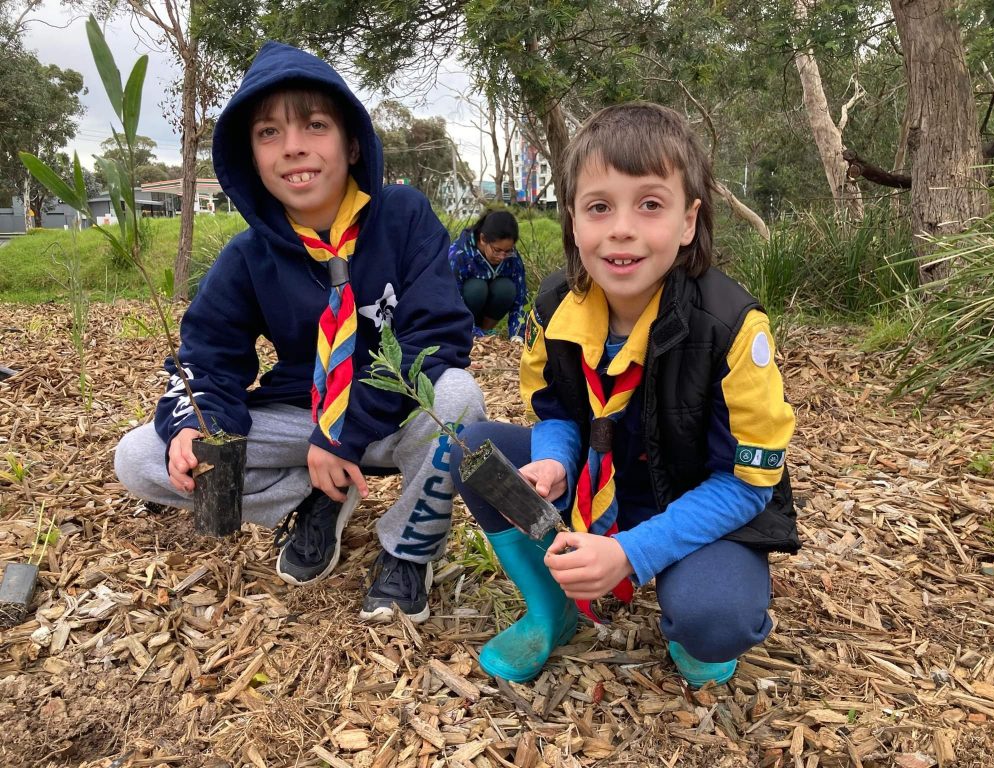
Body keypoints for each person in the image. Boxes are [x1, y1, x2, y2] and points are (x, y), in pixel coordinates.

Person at [114, 41, 485, 624]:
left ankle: (408, 550)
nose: (293, 148)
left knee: (459, 396)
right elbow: (207, 357)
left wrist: (342, 433)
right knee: (140, 457)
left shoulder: (404, 217)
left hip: (387, 418)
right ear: (251, 157)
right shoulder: (247, 256)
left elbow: (438, 336)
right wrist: (197, 425)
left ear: (352, 141)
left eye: (314, 125)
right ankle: (317, 498)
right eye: (268, 133)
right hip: (300, 416)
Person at [451, 102, 798, 686]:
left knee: (716, 620)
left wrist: (633, 553)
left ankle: (689, 611)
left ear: (689, 220)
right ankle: (551, 609)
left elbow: (746, 483)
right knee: (476, 450)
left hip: (698, 501)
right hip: (598, 481)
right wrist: (557, 462)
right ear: (573, 220)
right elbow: (556, 410)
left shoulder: (733, 327)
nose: (621, 228)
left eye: (651, 205)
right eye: (599, 207)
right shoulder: (556, 305)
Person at [448, 210, 528, 340]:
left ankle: (486, 331)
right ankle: (470, 332)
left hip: (489, 310)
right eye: (497, 250)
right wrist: (472, 330)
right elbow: (452, 300)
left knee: (506, 288)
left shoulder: (512, 257)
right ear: (483, 239)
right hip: (465, 309)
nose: (502, 257)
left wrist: (518, 335)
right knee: (477, 288)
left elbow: (521, 298)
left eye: (507, 251)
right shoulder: (459, 255)